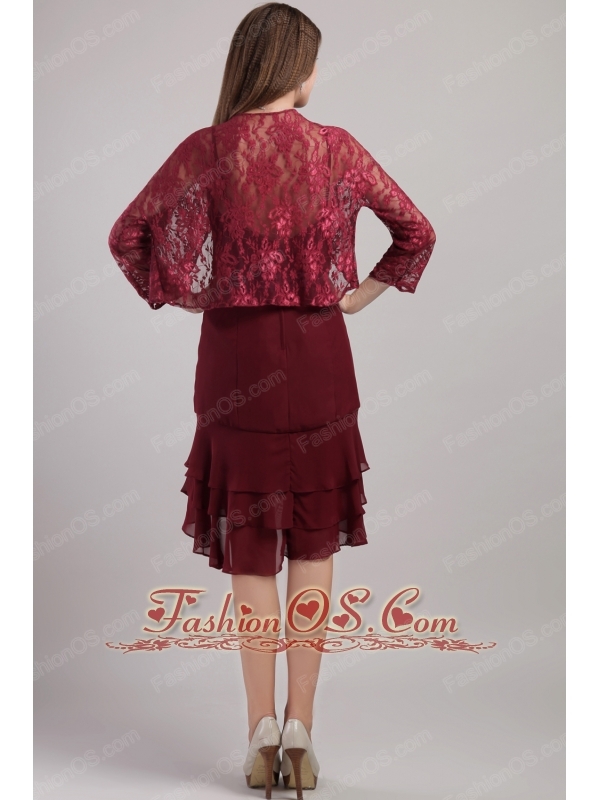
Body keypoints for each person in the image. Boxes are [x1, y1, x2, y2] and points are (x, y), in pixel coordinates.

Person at [108, 4, 436, 797]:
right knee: (315, 543)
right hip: (322, 360)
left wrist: (192, 294)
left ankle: (259, 730)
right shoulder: (336, 148)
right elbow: (416, 231)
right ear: (299, 68)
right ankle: (301, 729)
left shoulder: (208, 149)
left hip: (233, 363)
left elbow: (128, 235)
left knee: (251, 543)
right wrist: (355, 297)